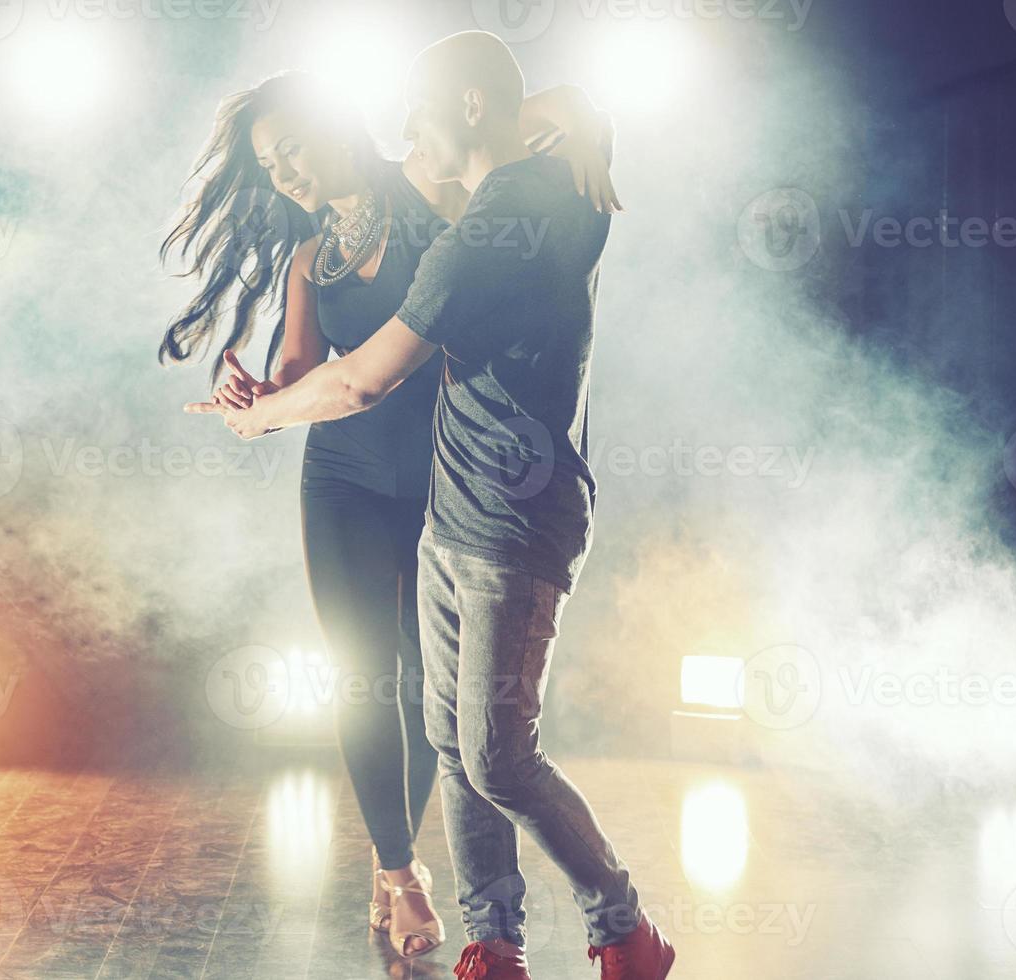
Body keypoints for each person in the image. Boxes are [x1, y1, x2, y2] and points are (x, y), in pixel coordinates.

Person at [184, 31, 674, 980]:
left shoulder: (453, 198)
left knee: (469, 736)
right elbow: (310, 378)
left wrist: (577, 118)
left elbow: (488, 112)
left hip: (475, 490)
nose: (285, 171)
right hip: (377, 489)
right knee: (412, 711)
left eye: (294, 146)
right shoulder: (314, 257)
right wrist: (265, 404)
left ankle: (612, 925)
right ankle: (446, 905)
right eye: (269, 164)